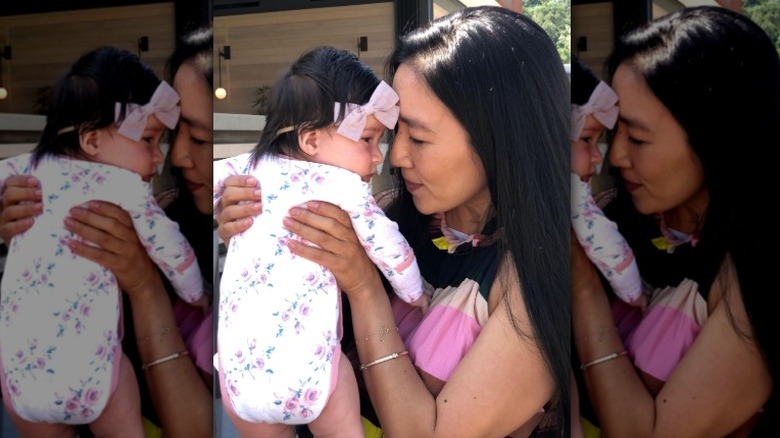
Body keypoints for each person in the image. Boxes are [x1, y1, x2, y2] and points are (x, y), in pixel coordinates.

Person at [217, 6, 571, 437]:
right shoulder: (387, 216)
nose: (396, 156)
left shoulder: (537, 277)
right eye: (390, 131)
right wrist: (253, 224)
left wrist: (365, 288)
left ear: (500, 136)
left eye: (418, 137)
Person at [0, 26, 216, 438]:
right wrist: (22, 230)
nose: (170, 157)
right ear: (92, 139)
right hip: (74, 371)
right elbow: (175, 254)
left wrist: (145, 285)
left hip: (32, 377)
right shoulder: (141, 198)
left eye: (201, 138)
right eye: (159, 138)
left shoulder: (27, 168)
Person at [571, 6, 777, 437]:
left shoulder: (756, 264)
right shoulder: (613, 226)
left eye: (639, 137)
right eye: (612, 133)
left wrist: (585, 288)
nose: (618, 155)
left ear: (718, 137)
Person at [213, 45, 426, 438]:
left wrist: (221, 216)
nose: (379, 157)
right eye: (367, 139)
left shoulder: (240, 170)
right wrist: (415, 292)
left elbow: (210, 195)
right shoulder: (342, 185)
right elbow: (388, 245)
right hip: (313, 367)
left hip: (240, 375)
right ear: (310, 141)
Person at [569, 57, 645, 311]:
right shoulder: (571, 189)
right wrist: (636, 292)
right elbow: (602, 241)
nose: (598, 156)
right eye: (587, 139)